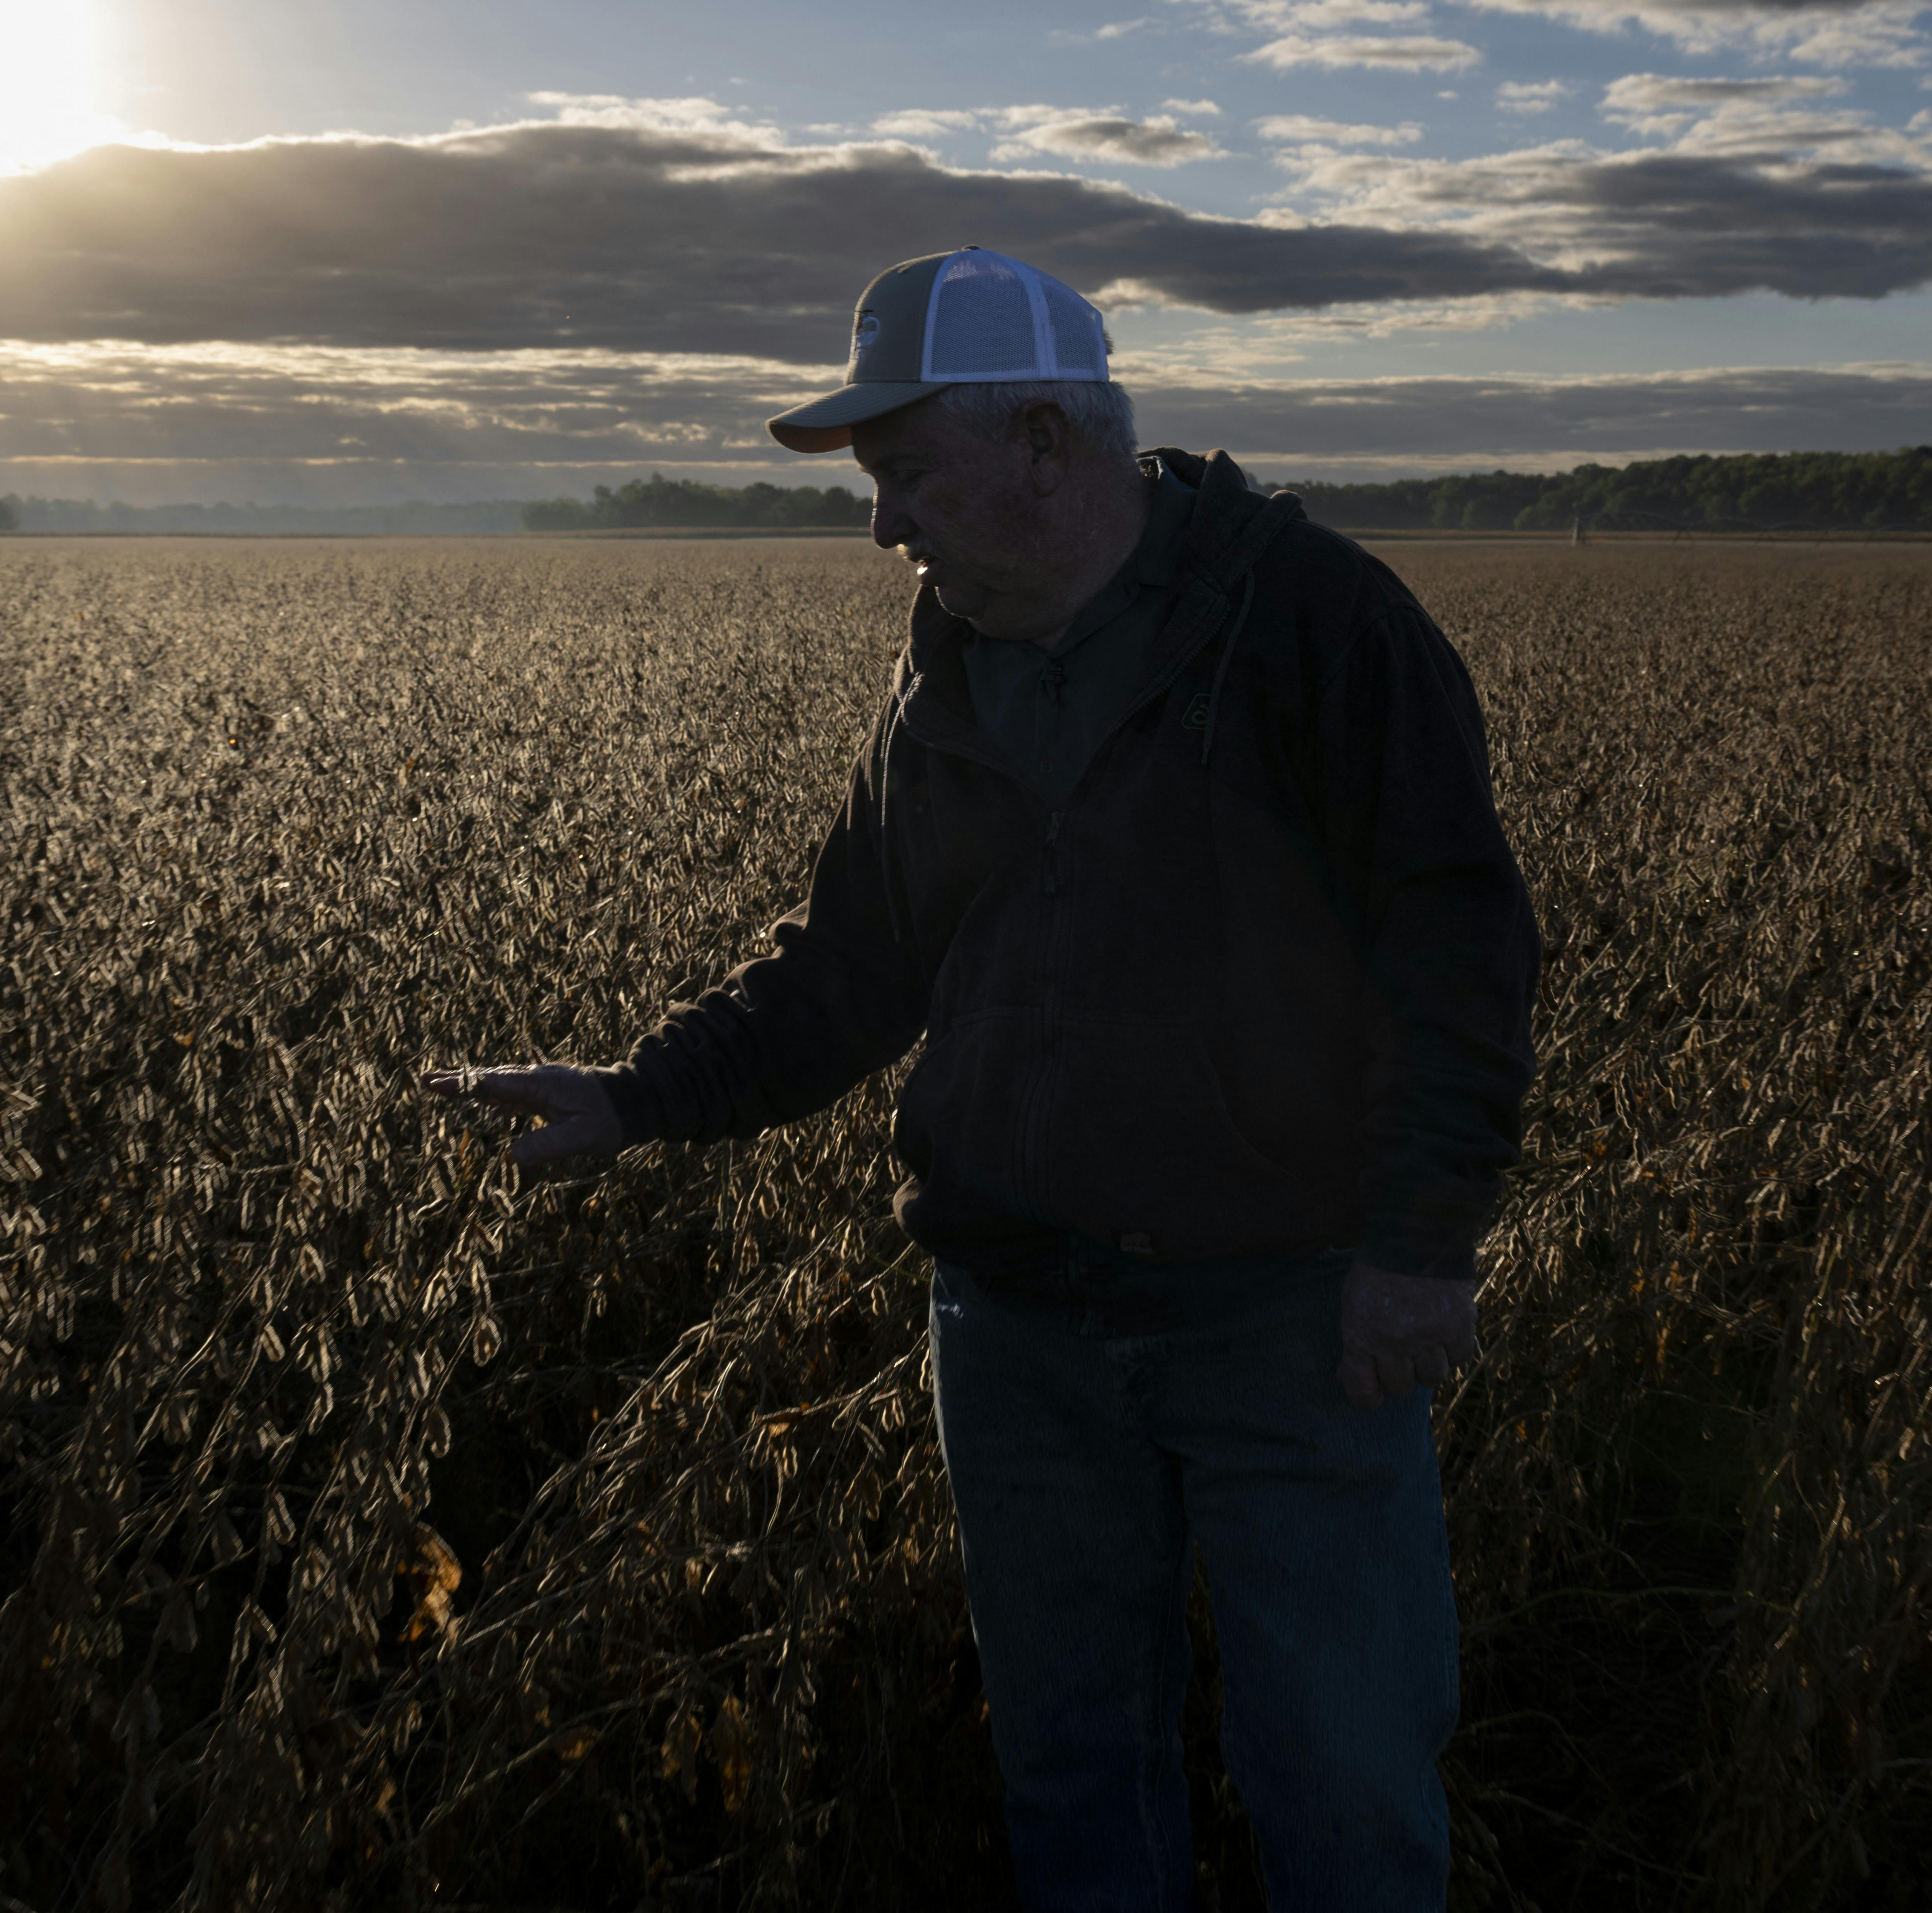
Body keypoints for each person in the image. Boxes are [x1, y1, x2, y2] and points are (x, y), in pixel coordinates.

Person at [423, 247, 1538, 1910]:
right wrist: (636, 1092)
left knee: (1345, 1776)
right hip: (1016, 1329)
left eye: (903, 475)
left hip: (1290, 1324)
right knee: (1076, 1776)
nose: (882, 529)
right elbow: (854, 963)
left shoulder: (1315, 624)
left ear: (1043, 443)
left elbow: (1459, 953)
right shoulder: (947, 659)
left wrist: (1420, 1242)